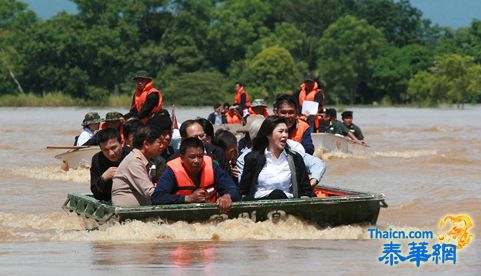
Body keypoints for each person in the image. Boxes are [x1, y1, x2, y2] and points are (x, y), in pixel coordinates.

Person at [151, 137, 241, 213]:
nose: (197, 161)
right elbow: (157, 197)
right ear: (182, 158)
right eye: (192, 157)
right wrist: (187, 198)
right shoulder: (172, 171)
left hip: (210, 216)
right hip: (181, 218)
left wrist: (227, 196)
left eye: (200, 156)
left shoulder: (212, 167)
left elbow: (233, 189)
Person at [236, 115, 326, 188]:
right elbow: (245, 188)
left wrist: (311, 183)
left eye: (285, 132)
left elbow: (317, 163)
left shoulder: (292, 150)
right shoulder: (246, 158)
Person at [111, 125, 164, 206]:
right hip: (127, 212)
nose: (162, 146)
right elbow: (150, 193)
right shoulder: (134, 162)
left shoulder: (146, 160)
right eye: (159, 143)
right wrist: (179, 198)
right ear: (146, 144)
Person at [90, 128, 131, 201]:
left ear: (122, 143)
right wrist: (103, 178)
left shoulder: (132, 156)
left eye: (114, 148)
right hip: (108, 198)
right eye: (105, 150)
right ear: (101, 149)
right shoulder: (97, 160)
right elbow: (95, 193)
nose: (111, 153)